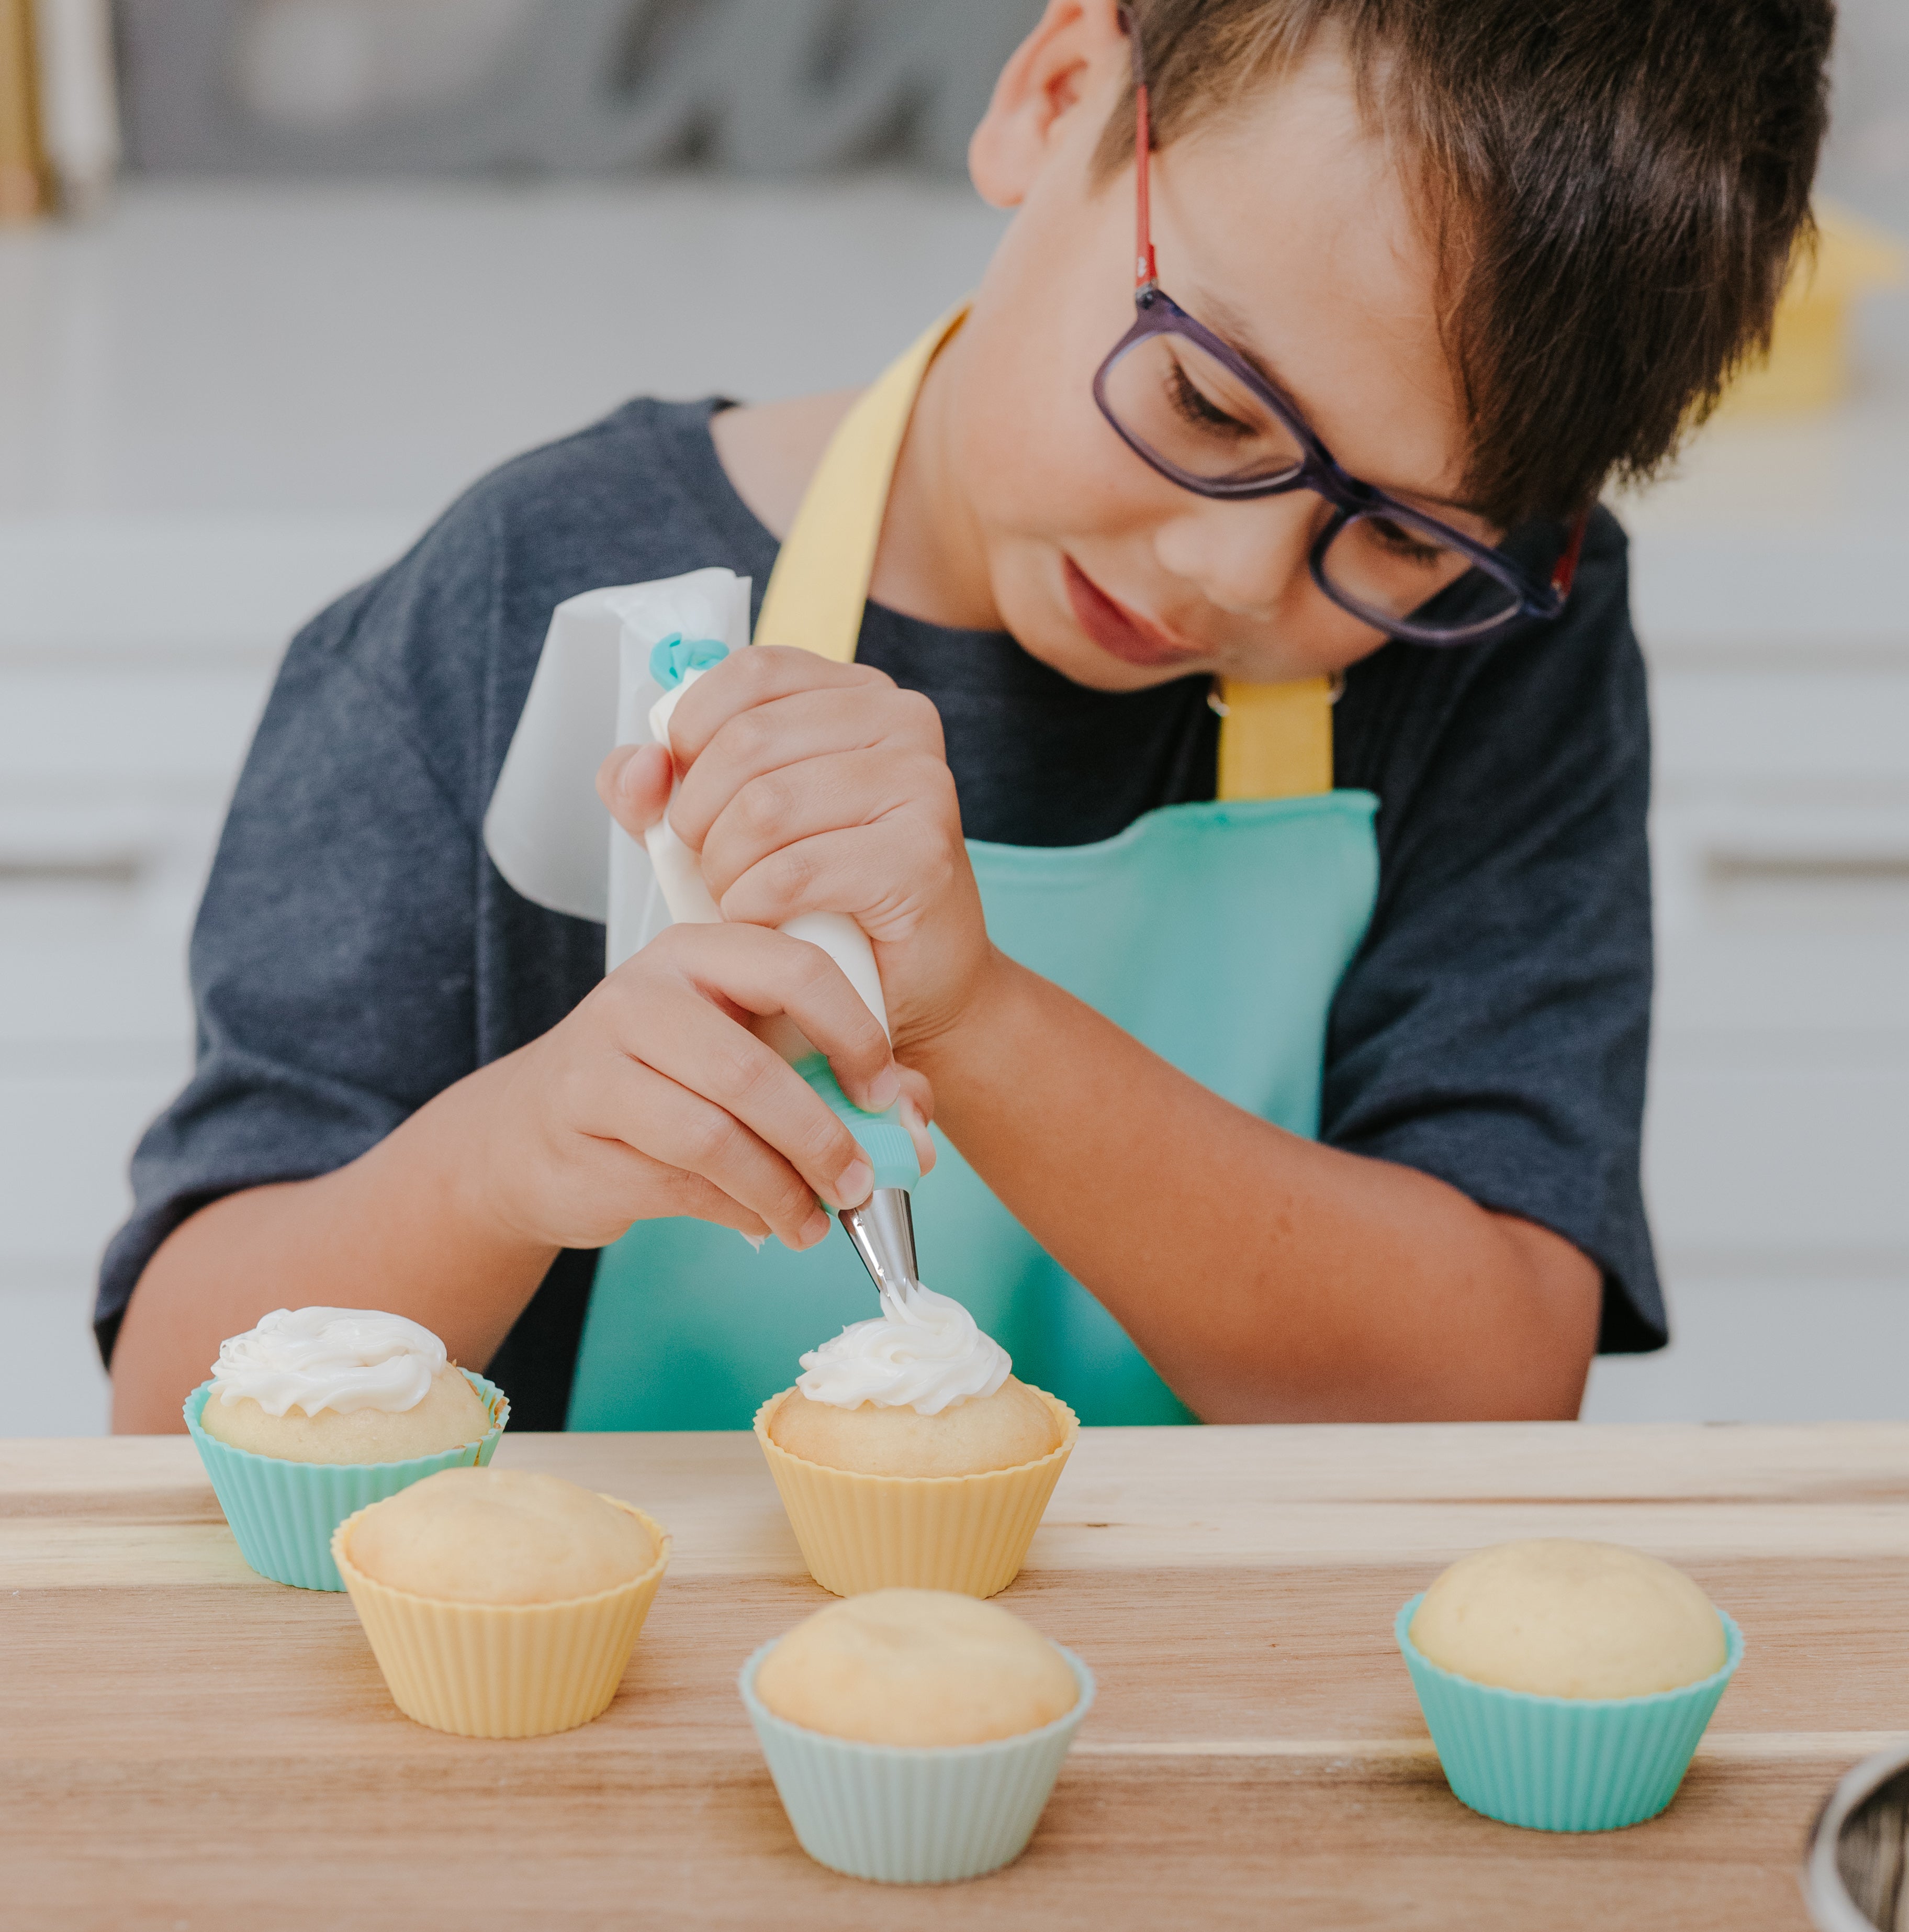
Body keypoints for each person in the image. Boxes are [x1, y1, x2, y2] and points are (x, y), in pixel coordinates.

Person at [101, 0, 1833, 1434]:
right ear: (1056, 94)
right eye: (1208, 401)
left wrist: (979, 1017)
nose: (1229, 572)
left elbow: (1485, 1389)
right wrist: (503, 1165)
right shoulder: (533, 595)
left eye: (1399, 531)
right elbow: (172, 1398)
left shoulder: (1489, 642)